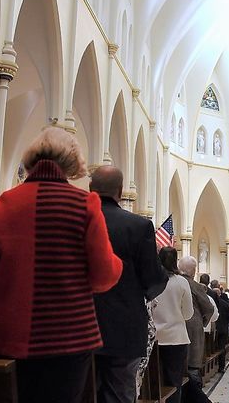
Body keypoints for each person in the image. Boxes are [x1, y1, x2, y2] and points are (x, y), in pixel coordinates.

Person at [0, 127, 123, 403]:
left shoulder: (3, 204)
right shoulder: (85, 204)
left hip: (12, 336)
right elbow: (103, 276)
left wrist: (18, 279)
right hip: (70, 337)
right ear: (72, 162)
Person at [89, 165, 168, 403]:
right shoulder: (138, 226)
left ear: (91, 188)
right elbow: (153, 280)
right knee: (120, 394)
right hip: (124, 329)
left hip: (80, 326)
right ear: (121, 191)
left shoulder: (76, 220)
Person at [153, 247, 194, 403]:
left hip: (154, 339)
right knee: (174, 383)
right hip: (176, 339)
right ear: (175, 261)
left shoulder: (151, 281)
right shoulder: (181, 282)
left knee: (153, 383)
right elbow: (188, 314)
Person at [178, 256, 214, 403]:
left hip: (172, 333)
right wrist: (202, 322)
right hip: (192, 332)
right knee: (192, 369)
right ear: (193, 271)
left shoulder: (169, 282)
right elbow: (209, 308)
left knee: (179, 370)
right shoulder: (194, 285)